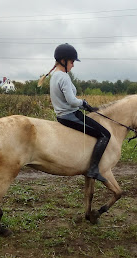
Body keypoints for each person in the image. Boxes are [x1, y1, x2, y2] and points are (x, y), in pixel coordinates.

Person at [38, 43, 111, 182]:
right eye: (72, 61)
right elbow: (71, 101)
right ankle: (93, 169)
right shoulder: (64, 77)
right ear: (64, 61)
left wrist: (83, 106)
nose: (73, 65)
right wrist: (83, 103)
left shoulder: (55, 75)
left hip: (64, 115)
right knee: (105, 134)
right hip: (70, 116)